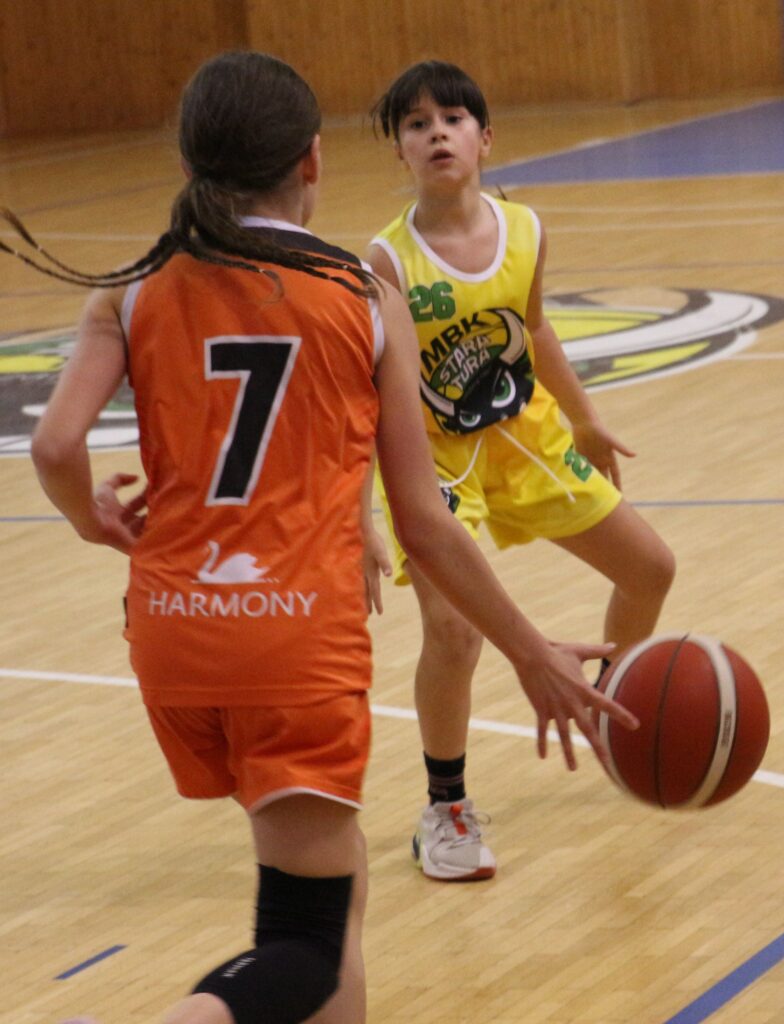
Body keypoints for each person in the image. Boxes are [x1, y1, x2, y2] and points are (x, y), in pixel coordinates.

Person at [13, 51, 635, 1024]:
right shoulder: (361, 295)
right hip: (293, 637)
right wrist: (530, 650)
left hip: (170, 632)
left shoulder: (132, 288)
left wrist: (90, 516)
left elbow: (55, 447)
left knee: (333, 896)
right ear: (311, 160)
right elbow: (425, 522)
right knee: (305, 940)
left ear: (190, 164)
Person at [366, 60, 675, 882]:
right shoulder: (387, 261)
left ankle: (607, 708)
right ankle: (445, 807)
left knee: (651, 567)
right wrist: (361, 514)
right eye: (417, 124)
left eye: (453, 118)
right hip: (436, 459)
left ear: (486, 138)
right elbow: (370, 393)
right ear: (400, 150)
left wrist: (585, 418)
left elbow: (533, 329)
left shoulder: (526, 230)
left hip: (523, 436)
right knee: (453, 630)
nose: (437, 133)